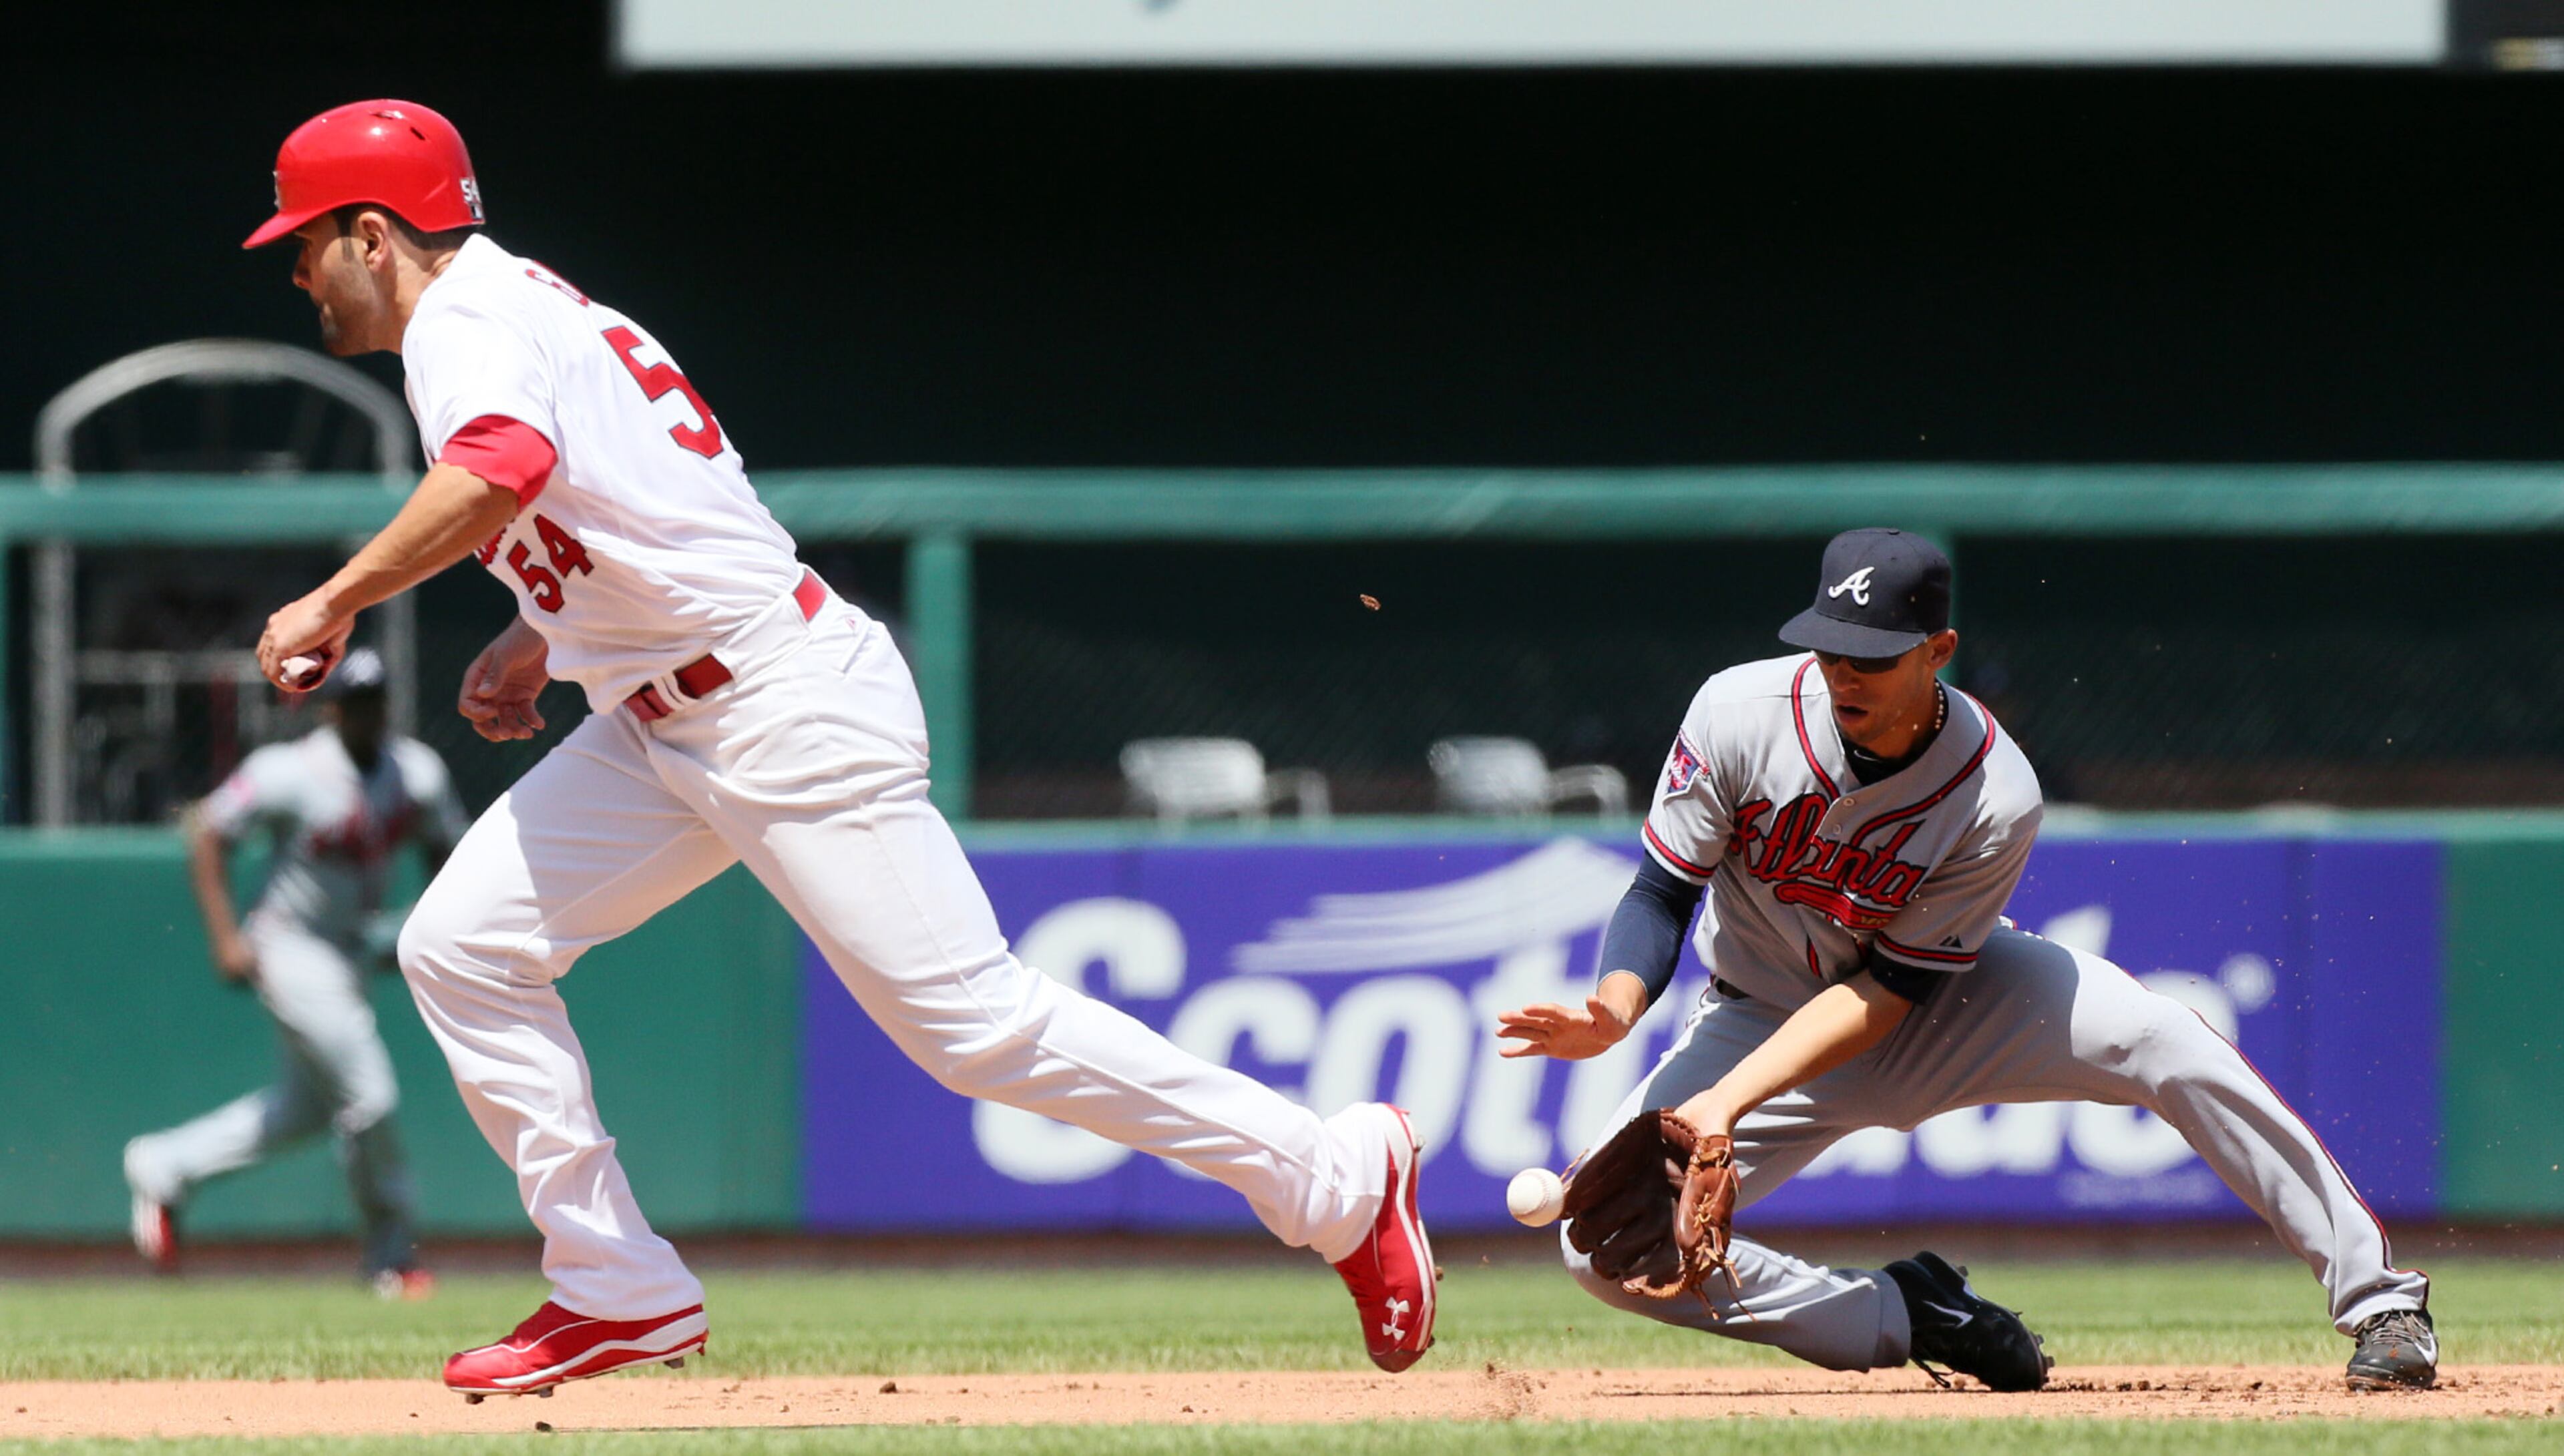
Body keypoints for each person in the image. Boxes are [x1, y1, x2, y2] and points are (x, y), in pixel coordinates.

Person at [238, 100, 1434, 1400]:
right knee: (460, 945)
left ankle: (1332, 1177)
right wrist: (541, 631)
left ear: (371, 233)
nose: (297, 272)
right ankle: (615, 1284)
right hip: (662, 714)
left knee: (974, 1028)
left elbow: (508, 462)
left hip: (778, 701)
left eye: (304, 244)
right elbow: (655, 489)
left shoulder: (466, 319)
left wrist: (338, 595)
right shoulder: (525, 300)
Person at [1496, 527, 2436, 1393]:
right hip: (1759, 1014)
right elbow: (1663, 890)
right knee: (1604, 1247)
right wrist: (1615, 1009)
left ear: (1937, 652)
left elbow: (1889, 991)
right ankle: (1909, 1313)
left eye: (1871, 655)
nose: (1841, 674)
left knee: (2163, 1037)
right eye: (1828, 649)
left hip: (1951, 1005)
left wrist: (1720, 1106)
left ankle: (2382, 1301)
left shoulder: (1996, 789)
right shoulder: (1738, 712)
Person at [124, 648, 461, 1298]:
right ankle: (392, 1256)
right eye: (355, 701)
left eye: (376, 700)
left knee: (303, 1112)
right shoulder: (291, 771)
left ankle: (164, 1167)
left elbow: (449, 851)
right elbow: (208, 831)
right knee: (370, 1096)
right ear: (331, 708)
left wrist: (425, 930)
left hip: (353, 949)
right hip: (290, 949)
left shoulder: (416, 772)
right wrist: (226, 937)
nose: (368, 713)